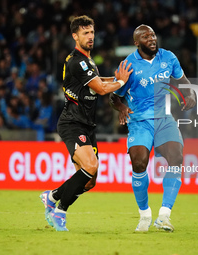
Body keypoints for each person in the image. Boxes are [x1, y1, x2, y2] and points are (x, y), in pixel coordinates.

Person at [39, 15, 133, 231]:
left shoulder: (88, 61)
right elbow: (100, 90)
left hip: (87, 125)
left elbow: (98, 83)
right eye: (85, 33)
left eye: (91, 32)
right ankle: (60, 213)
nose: (90, 37)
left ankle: (52, 196)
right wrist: (120, 81)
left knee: (89, 181)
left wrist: (118, 79)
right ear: (75, 36)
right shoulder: (77, 61)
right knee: (90, 166)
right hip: (72, 122)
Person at [110, 25, 196, 232]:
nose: (152, 38)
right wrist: (122, 108)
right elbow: (114, 96)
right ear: (136, 42)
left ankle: (164, 216)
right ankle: (144, 215)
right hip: (140, 121)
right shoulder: (128, 65)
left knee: (176, 157)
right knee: (139, 163)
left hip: (164, 118)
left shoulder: (168, 58)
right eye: (146, 36)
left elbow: (183, 82)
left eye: (153, 35)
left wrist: (191, 95)